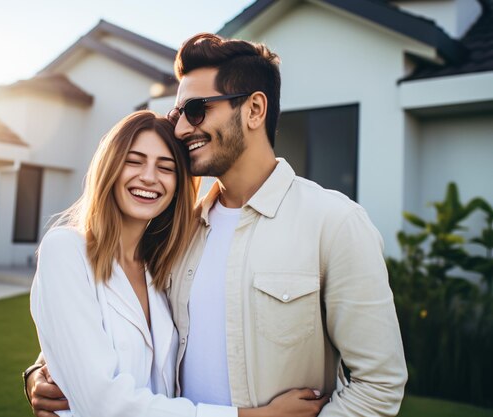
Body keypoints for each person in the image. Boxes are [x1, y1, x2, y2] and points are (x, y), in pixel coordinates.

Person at [27, 33, 408, 417]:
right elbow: (102, 322)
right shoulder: (177, 232)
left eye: (196, 110)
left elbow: (378, 385)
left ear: (254, 110)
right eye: (177, 115)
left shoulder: (335, 223)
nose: (178, 130)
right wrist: (43, 372)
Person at [29, 110, 328, 417]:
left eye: (166, 167)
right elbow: (101, 402)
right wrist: (257, 416)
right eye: (134, 160)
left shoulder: (160, 267)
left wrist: (39, 370)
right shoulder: (66, 250)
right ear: (109, 167)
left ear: (178, 185)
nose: (149, 177)